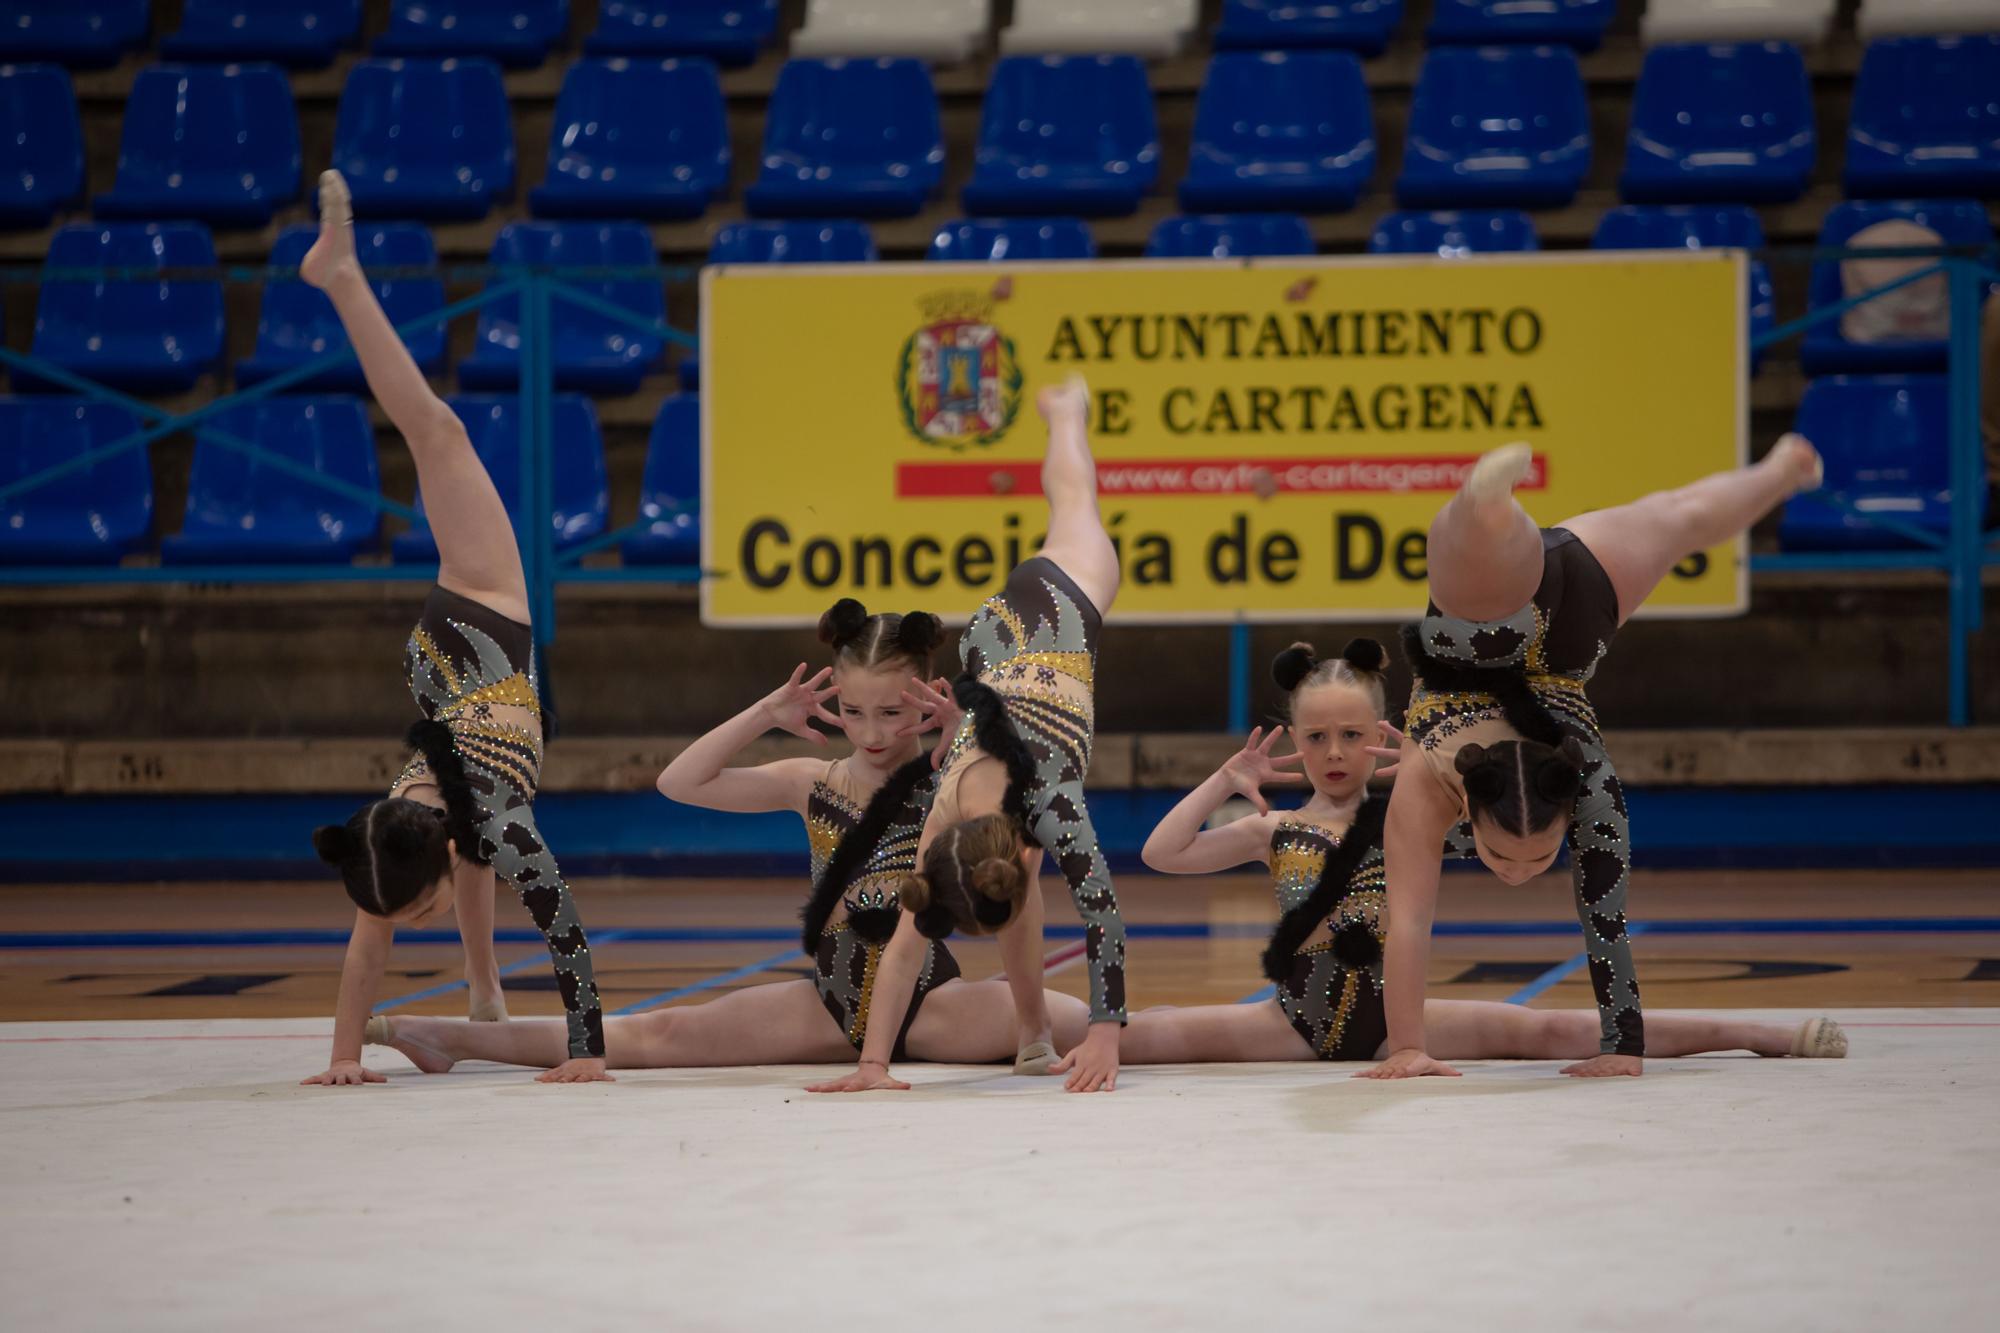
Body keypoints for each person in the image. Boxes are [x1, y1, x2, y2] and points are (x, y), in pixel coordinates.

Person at [363, 600, 1093, 1072]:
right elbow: (680, 781)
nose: (874, 732)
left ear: (928, 697)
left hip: (936, 1005)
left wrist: (958, 729)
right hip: (829, 999)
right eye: (857, 711)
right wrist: (765, 713)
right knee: (659, 1036)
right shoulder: (813, 781)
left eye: (895, 713)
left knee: (1090, 1027)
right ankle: (449, 1038)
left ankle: (1194, 1033)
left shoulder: (953, 781)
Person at [1124, 640, 1846, 1066]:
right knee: (1153, 1032)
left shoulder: (1410, 820)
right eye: (1316, 738)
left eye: (1350, 734)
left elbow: (1502, 840)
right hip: (1291, 1022)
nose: (1335, 753)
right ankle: (1024, 1028)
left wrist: (1428, 778)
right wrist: (1225, 778)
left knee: (1554, 1030)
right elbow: (1162, 852)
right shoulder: (1272, 829)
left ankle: (1764, 1035)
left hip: (1397, 1019)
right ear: (1295, 739)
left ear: (1379, 729)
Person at [1364, 436, 1826, 1079]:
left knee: (1673, 520)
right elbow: (1417, 921)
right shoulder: (1587, 783)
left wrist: (1621, 1049)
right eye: (1504, 855)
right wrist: (1411, 1049)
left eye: (1533, 855)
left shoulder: (1425, 785)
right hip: (1573, 625)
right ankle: (1485, 508)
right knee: (1675, 520)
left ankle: (1778, 471)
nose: (1519, 873)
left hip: (1483, 635)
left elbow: (1414, 920)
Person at [298, 170, 607, 1086]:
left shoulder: (451, 828)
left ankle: (342, 276)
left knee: (435, 430)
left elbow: (563, 923)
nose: (404, 927)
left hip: (482, 616)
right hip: (454, 684)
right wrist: (344, 1057)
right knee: (484, 855)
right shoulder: (403, 837)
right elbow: (372, 942)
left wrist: (588, 1056)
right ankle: (483, 993)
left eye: (414, 914)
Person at [808, 376, 1129, 1094]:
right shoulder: (979, 814)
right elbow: (906, 942)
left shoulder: (1034, 806)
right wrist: (871, 1067)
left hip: (1029, 624)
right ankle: (1033, 1033)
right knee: (1073, 504)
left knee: (1076, 506)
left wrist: (1108, 1032)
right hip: (1016, 628)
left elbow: (1107, 916)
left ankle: (1067, 413)